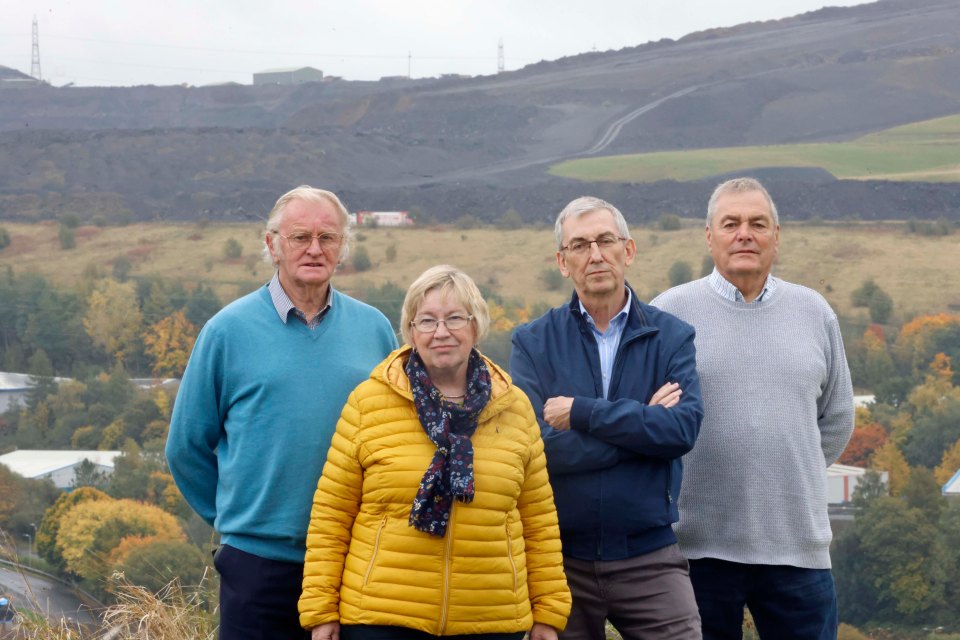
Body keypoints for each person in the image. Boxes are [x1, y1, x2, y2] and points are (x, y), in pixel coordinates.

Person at [166, 185, 398, 640]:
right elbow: (186, 447)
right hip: (258, 568)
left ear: (343, 248)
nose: (315, 249)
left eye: (328, 238)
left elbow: (397, 433)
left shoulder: (374, 329)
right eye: (300, 237)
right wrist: (238, 520)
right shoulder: (227, 331)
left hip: (355, 563)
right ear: (272, 244)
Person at [299, 265, 571, 640]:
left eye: (455, 318)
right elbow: (331, 514)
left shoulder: (515, 407)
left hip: (490, 619)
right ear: (410, 331)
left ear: (477, 326)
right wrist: (321, 610)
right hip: (381, 617)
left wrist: (549, 613)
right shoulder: (369, 402)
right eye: (426, 320)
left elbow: (538, 521)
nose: (441, 332)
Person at [652, 177, 854, 640]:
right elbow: (648, 421)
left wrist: (787, 470)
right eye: (731, 223)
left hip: (797, 549)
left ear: (776, 237)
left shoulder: (814, 312)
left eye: (758, 224)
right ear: (710, 236)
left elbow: (838, 417)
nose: (745, 233)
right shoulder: (669, 313)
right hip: (695, 550)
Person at [510, 196, 704, 640]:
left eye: (605, 241)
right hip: (558, 560)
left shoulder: (670, 336)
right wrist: (641, 428)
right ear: (563, 262)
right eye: (579, 245)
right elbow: (534, 447)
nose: (594, 255)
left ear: (628, 251)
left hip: (649, 555)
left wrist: (582, 412)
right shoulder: (533, 342)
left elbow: (680, 430)